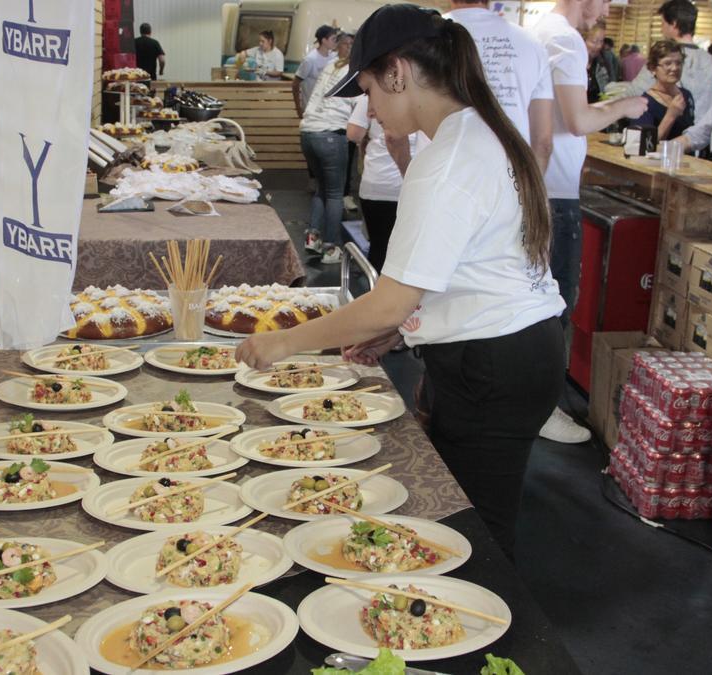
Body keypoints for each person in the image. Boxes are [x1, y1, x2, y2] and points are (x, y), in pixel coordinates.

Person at [236, 5, 565, 559]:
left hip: (493, 362)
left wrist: (282, 341)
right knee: (464, 514)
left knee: (472, 534)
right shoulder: (476, 133)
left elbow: (389, 302)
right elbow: (467, 266)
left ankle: (487, 633)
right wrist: (409, 330)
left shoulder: (449, 159)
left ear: (398, 72)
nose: (370, 108)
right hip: (515, 350)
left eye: (369, 89)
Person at [532, 0, 647, 443]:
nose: (607, 8)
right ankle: (545, 407)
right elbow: (577, 120)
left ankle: (536, 402)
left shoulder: (543, 31)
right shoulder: (564, 38)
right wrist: (626, 106)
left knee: (542, 297)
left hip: (541, 184)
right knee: (557, 300)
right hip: (556, 189)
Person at [446, 0, 554, 171]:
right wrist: (532, 193)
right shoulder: (532, 44)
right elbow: (543, 143)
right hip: (509, 178)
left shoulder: (426, 38)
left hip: (442, 175)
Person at [299, 32, 356, 264]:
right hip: (331, 134)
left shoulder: (330, 66)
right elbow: (358, 106)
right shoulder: (355, 71)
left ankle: (313, 238)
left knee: (321, 188)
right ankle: (331, 248)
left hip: (308, 133)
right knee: (335, 194)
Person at [347, 97, 416, 271]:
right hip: (410, 186)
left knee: (379, 248)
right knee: (406, 252)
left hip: (377, 183)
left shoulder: (370, 97)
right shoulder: (424, 96)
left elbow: (353, 133)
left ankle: (375, 291)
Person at [627, 0, 712, 121]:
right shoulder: (710, 62)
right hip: (702, 133)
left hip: (669, 131)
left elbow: (636, 92)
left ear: (674, 24)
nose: (662, 29)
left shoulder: (665, 57)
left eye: (663, 23)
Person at [633, 40, 695, 141]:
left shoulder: (686, 95)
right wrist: (671, 115)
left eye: (679, 63)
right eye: (668, 63)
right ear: (653, 68)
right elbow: (644, 144)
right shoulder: (643, 104)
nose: (675, 68)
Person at [293, 25, 339, 116]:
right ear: (324, 40)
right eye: (333, 39)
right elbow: (295, 83)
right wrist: (298, 107)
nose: (336, 42)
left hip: (326, 107)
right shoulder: (310, 59)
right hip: (311, 107)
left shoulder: (333, 57)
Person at [585, 21, 615, 102]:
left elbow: (608, 89)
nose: (598, 46)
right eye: (594, 41)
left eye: (601, 41)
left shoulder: (603, 63)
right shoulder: (572, 64)